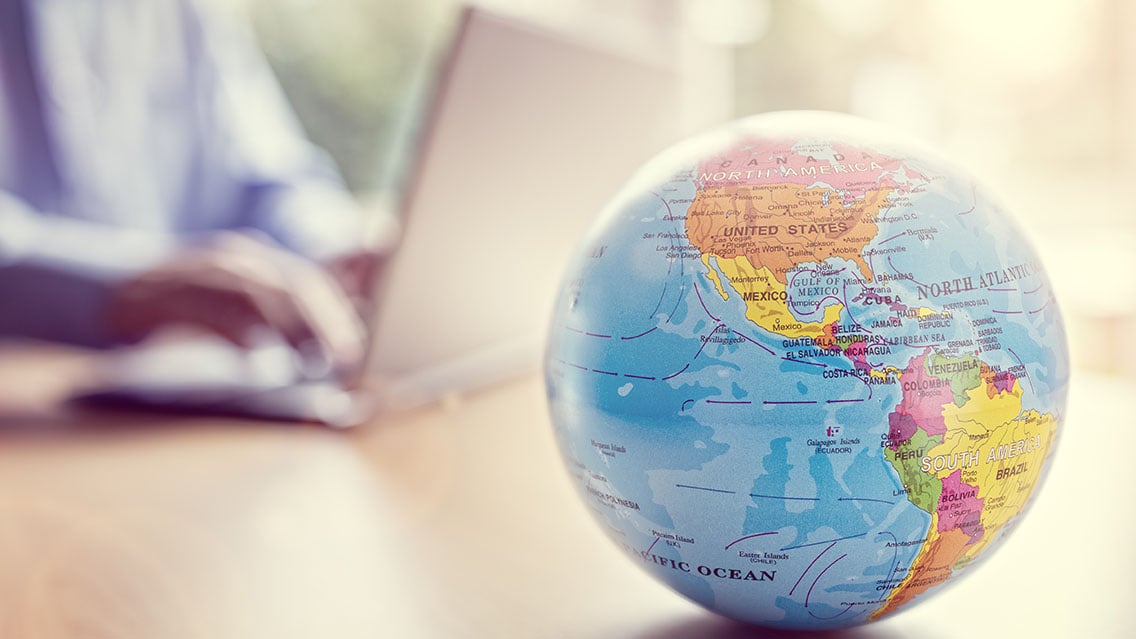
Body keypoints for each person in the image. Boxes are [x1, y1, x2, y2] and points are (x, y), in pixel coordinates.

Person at [0, 0, 392, 375]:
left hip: (162, 396)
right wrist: (128, 284)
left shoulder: (183, 8)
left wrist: (333, 251)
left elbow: (265, 172)